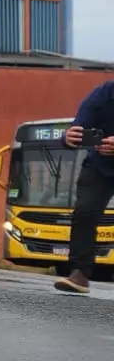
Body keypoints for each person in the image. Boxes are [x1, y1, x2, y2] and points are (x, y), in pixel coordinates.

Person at [56, 80, 114, 293]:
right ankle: (79, 274)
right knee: (85, 212)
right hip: (100, 165)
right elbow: (77, 129)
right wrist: (68, 138)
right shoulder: (103, 94)